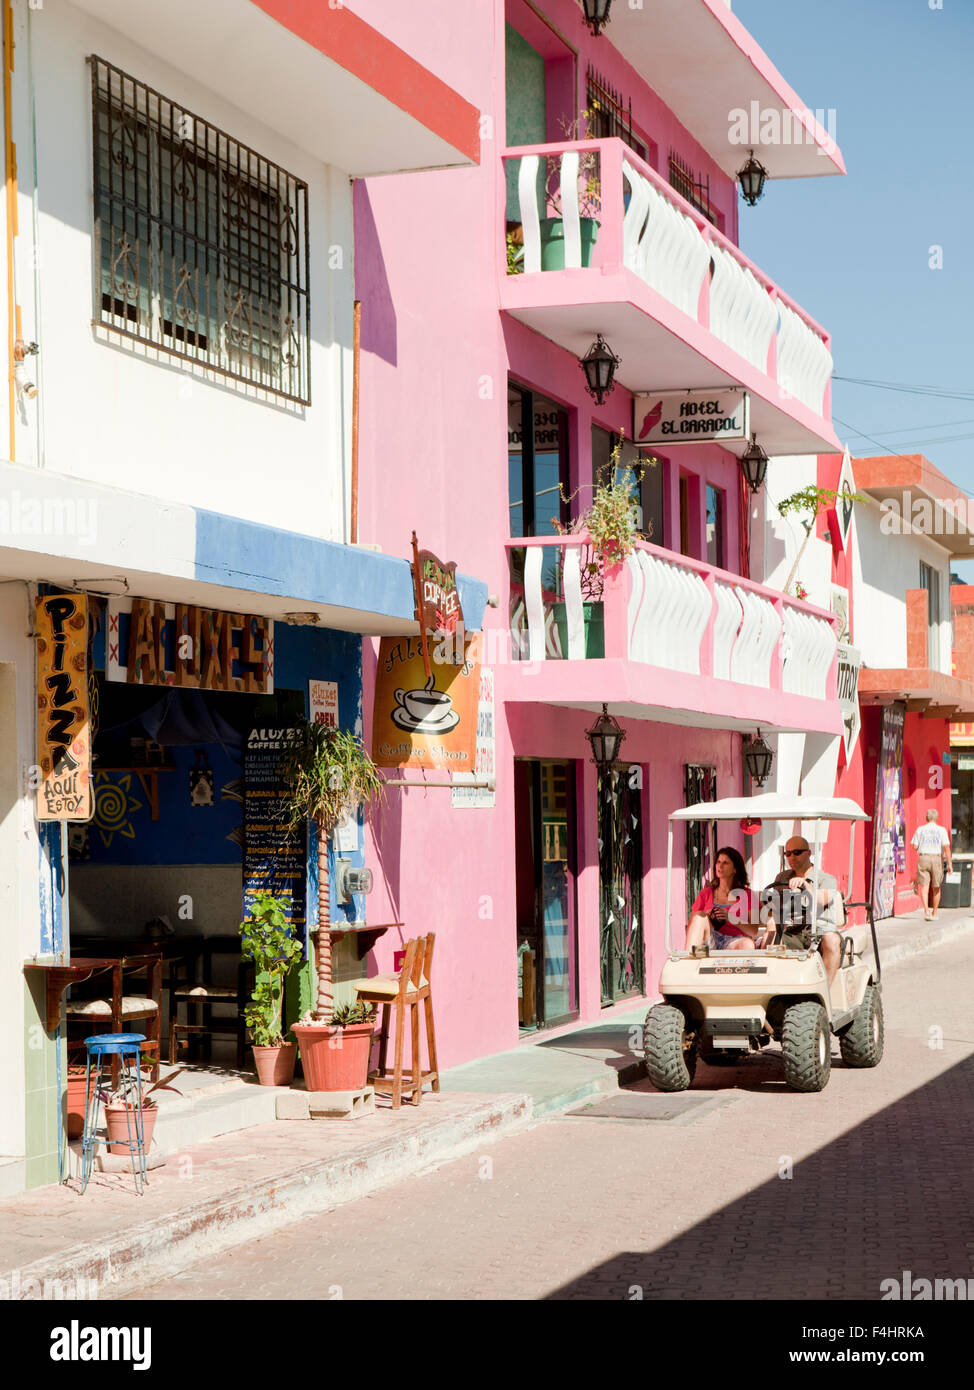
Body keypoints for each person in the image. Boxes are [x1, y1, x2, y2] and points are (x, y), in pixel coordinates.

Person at [760, 836, 843, 984]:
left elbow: (822, 900)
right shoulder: (782, 877)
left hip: (818, 931)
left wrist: (805, 885)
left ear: (809, 853)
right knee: (770, 933)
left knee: (832, 940)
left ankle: (825, 992)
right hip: (791, 930)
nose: (792, 857)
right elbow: (774, 905)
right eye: (788, 853)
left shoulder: (825, 878)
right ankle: (771, 986)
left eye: (797, 852)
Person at [686, 846, 762, 952]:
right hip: (710, 939)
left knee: (747, 944)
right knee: (698, 916)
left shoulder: (749, 895)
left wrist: (731, 918)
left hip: (735, 942)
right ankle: (687, 964)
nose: (720, 866)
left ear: (735, 869)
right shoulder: (705, 893)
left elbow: (754, 931)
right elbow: (693, 922)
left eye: (725, 863)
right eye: (718, 862)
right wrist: (708, 917)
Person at [911, 808, 952, 920]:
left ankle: (926, 911)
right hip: (936, 858)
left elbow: (914, 846)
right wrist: (950, 864)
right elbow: (946, 848)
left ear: (926, 818)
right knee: (936, 887)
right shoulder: (942, 830)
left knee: (924, 886)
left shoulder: (920, 829)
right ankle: (934, 912)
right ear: (937, 819)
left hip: (923, 857)